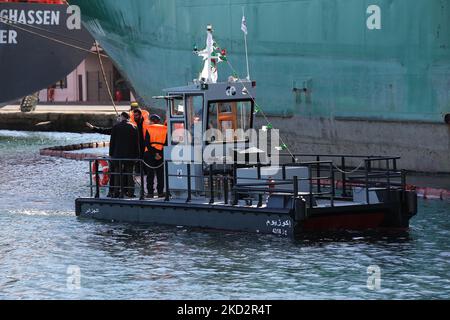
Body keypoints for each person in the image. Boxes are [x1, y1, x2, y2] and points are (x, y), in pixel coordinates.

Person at [109, 112, 139, 198]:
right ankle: (130, 192)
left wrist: (111, 154)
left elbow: (112, 142)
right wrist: (137, 155)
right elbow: (136, 143)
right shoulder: (134, 127)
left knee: (117, 173)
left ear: (122, 117)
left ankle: (116, 192)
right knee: (130, 174)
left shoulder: (116, 127)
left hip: (117, 155)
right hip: (130, 155)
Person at [143, 114, 168, 198]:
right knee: (160, 174)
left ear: (151, 120)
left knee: (150, 174)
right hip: (161, 153)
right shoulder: (165, 129)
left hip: (150, 153)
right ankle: (160, 192)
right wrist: (159, 153)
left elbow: (147, 143)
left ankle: (150, 193)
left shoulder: (149, 128)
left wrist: (154, 153)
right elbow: (166, 143)